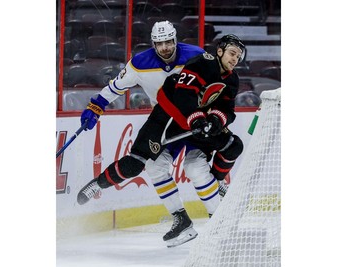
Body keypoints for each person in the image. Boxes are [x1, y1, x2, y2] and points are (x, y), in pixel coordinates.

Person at [77, 33, 246, 247]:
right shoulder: (201, 62)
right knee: (142, 164)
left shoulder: (231, 77)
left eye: (238, 56)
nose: (235, 59)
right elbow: (183, 95)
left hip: (197, 122)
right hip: (169, 118)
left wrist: (215, 120)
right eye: (232, 53)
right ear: (220, 51)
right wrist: (96, 104)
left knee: (228, 149)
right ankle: (102, 185)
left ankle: (219, 218)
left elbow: (227, 109)